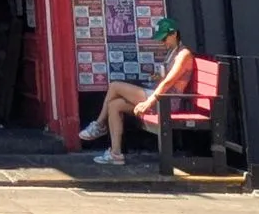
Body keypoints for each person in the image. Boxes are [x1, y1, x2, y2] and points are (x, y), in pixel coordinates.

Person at [79, 17, 193, 165]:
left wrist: (149, 102)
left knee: (115, 86)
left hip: (167, 102)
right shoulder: (172, 52)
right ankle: (116, 154)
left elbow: (169, 82)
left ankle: (99, 125)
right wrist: (158, 77)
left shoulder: (183, 55)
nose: (162, 42)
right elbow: (167, 79)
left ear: (174, 34)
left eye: (164, 38)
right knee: (114, 105)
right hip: (160, 97)